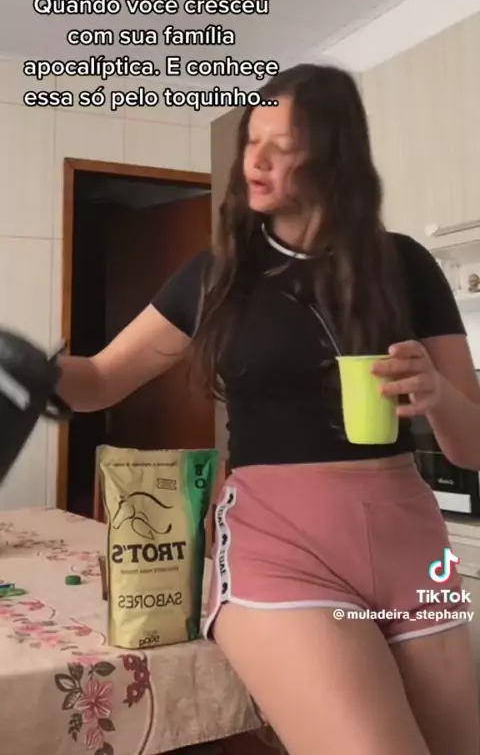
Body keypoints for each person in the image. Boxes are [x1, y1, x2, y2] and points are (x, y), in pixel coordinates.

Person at [58, 64, 480, 755]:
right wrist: (32, 368)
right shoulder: (216, 276)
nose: (255, 160)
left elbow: (473, 447)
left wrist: (436, 391)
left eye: (281, 146)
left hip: (411, 547)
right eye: (252, 142)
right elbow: (101, 379)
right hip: (281, 550)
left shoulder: (406, 266)